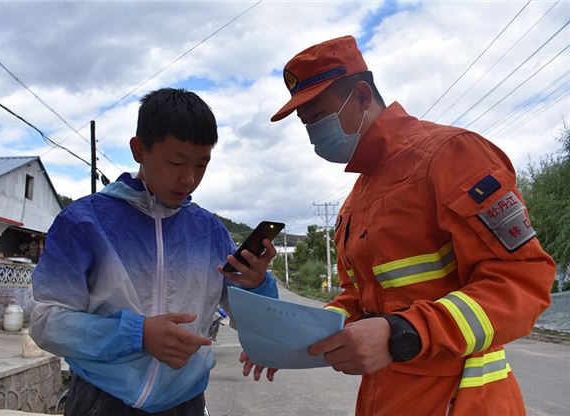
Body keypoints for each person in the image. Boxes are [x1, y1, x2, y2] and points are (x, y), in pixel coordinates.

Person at [269, 35, 556, 415]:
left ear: (361, 96)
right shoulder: (356, 199)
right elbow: (359, 297)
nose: (313, 133)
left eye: (318, 116)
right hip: (387, 399)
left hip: (463, 402)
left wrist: (403, 334)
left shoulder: (451, 155)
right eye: (306, 124)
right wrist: (295, 338)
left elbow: (522, 281)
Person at [30, 88, 278, 416]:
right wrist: (138, 334)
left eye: (201, 164)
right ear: (139, 149)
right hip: (102, 400)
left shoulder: (210, 232)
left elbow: (250, 317)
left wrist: (258, 286)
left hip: (187, 402)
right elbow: (45, 322)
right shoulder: (84, 222)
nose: (189, 178)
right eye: (176, 162)